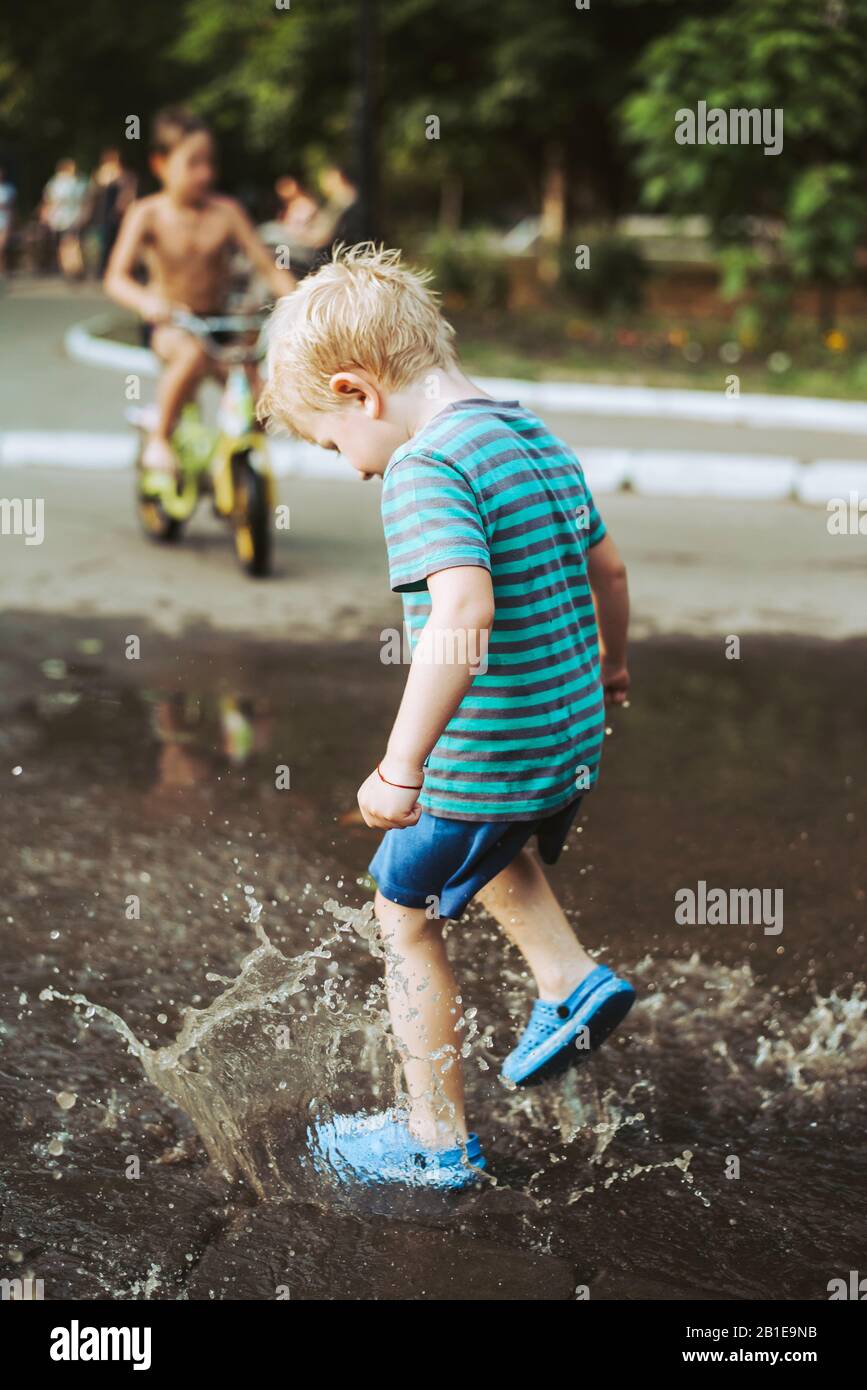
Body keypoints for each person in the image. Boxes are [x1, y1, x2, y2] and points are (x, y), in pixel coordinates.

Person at [259, 244, 635, 1189]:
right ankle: (567, 977)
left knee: (402, 915)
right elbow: (610, 570)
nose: (350, 470)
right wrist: (613, 664)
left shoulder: (425, 468)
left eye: (332, 443)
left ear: (358, 392)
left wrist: (399, 765)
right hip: (568, 735)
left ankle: (435, 1146)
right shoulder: (527, 433)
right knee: (493, 838)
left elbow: (463, 612)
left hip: (492, 750)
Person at [104, 107, 296, 474]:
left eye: (209, 162)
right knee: (189, 356)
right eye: (192, 163)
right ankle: (159, 438)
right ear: (160, 164)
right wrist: (147, 301)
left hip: (220, 325)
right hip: (171, 325)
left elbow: (268, 268)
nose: (205, 173)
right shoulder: (148, 213)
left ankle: (235, 463)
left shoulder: (225, 212)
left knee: (260, 397)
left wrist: (299, 303)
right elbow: (116, 277)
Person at [87, 148, 137, 276]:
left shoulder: (124, 175)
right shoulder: (99, 175)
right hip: (102, 214)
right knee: (103, 241)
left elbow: (129, 193)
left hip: (117, 214)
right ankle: (101, 268)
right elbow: (92, 195)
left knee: (117, 241)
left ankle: (116, 268)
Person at [40, 158, 89, 278]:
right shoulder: (55, 182)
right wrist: (46, 214)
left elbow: (85, 201)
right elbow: (48, 200)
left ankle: (74, 267)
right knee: (62, 243)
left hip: (73, 217)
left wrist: (84, 214)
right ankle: (68, 267)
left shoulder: (79, 182)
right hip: (58, 218)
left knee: (71, 241)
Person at [0, 168, 16, 276]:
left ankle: (3, 269)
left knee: (2, 246)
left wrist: (13, 220)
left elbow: (13, 207)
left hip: (5, 221)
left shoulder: (9, 189)